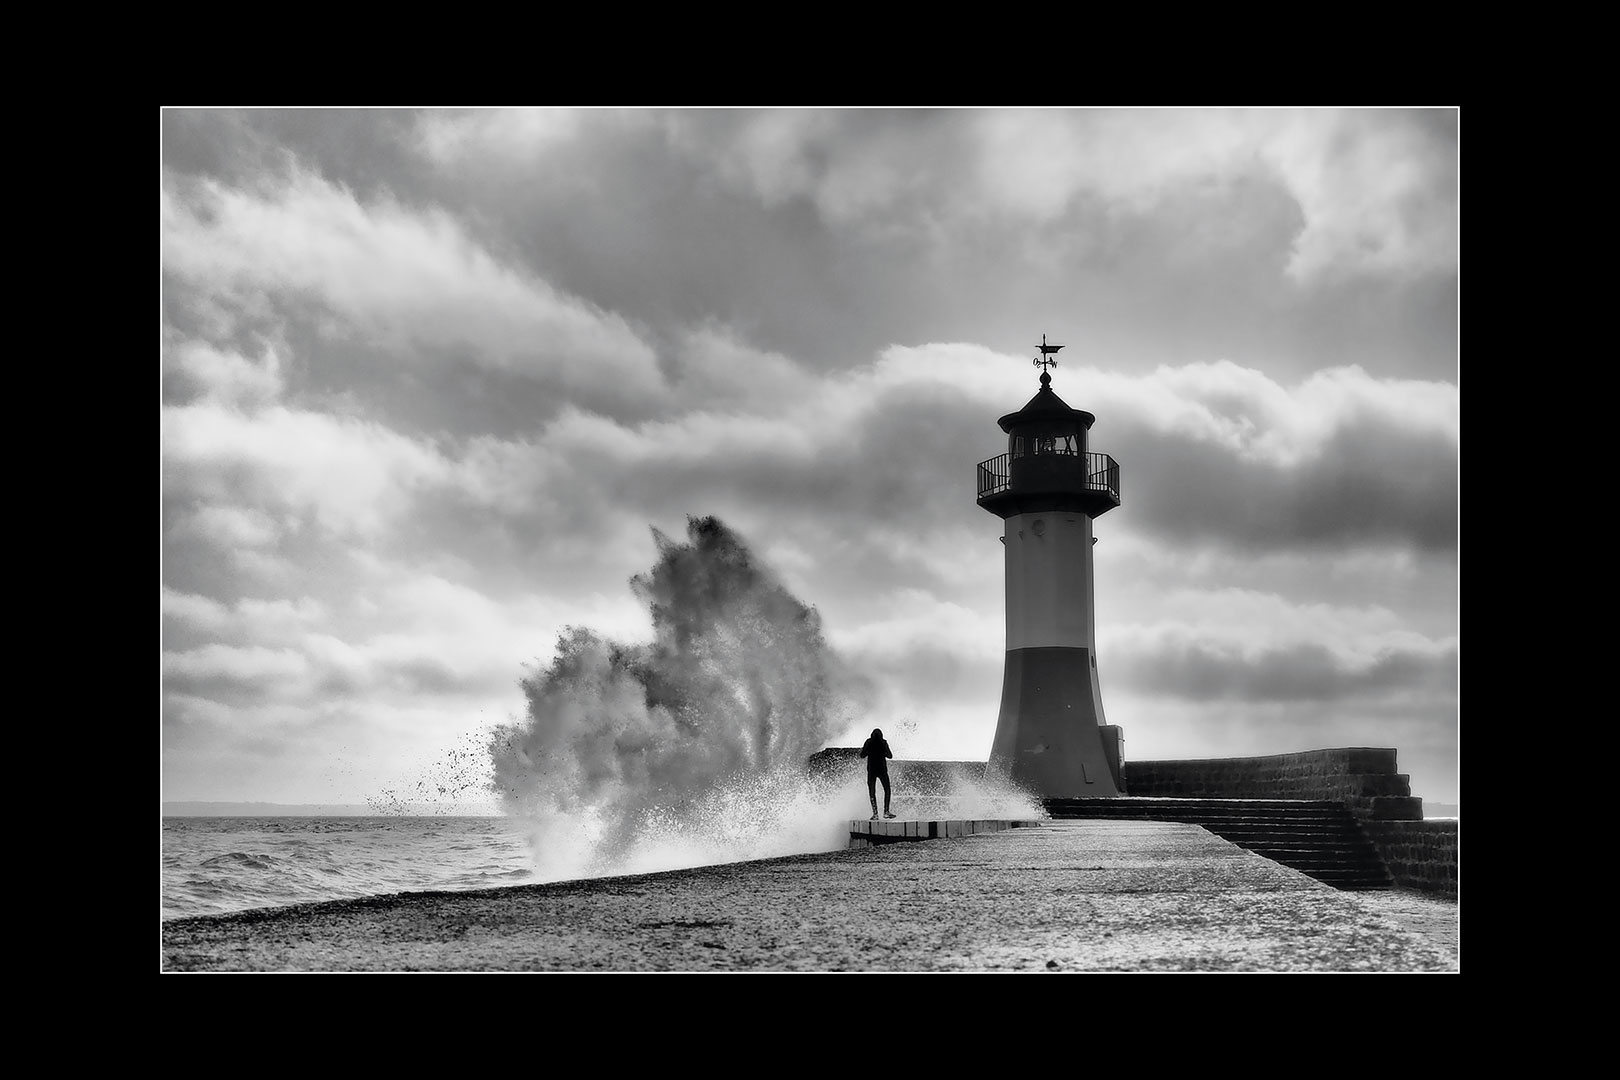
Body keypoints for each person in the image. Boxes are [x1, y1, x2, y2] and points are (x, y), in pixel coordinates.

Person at [860, 728, 895, 820]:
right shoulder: (883, 743)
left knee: (872, 792)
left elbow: (862, 755)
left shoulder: (869, 742)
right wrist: (883, 753)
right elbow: (890, 756)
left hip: (871, 770)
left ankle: (875, 814)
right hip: (882, 770)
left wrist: (868, 751)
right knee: (887, 789)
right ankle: (886, 811)